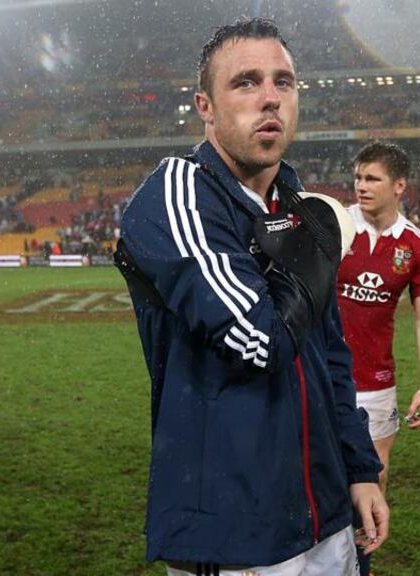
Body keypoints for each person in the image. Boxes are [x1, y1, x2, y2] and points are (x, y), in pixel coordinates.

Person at [117, 18, 387, 576]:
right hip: (235, 527)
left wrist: (360, 468)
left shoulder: (294, 204)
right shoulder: (178, 192)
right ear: (205, 106)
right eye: (246, 82)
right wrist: (315, 252)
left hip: (327, 512)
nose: (270, 98)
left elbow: (333, 356)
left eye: (283, 82)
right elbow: (260, 340)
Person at [336, 142, 420, 573]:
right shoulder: (334, 225)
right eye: (358, 177)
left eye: (372, 178)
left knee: (374, 479)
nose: (361, 186)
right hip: (323, 379)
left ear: (399, 186)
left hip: (377, 384)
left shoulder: (416, 247)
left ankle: (359, 564)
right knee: (316, 476)